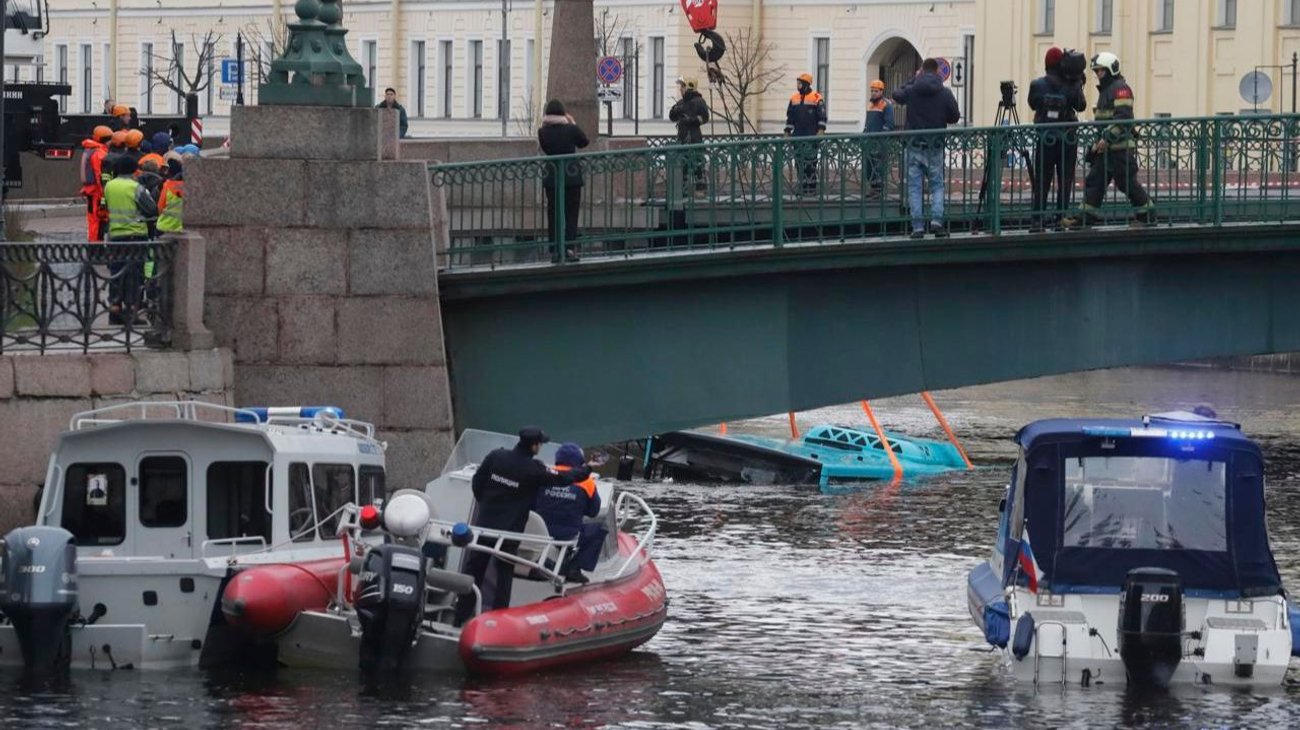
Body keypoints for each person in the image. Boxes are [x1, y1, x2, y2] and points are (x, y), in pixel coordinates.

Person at [453, 427, 593, 624]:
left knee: (474, 570)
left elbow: (477, 482)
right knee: (504, 578)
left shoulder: (496, 456)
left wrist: (486, 505)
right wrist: (586, 469)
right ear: (534, 446)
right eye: (540, 444)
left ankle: (460, 616)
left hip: (484, 527)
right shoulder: (534, 469)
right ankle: (499, 621)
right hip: (509, 534)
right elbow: (563, 478)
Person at [1061, 52, 1156, 229]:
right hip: (1107, 148)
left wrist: (1106, 138)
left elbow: (1123, 118)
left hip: (1120, 149)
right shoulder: (1108, 89)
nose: (1098, 74)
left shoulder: (1121, 89)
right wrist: (1099, 142)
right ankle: (1084, 219)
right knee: (1095, 182)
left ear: (1111, 69)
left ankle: (1148, 215)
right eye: (1096, 71)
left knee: (1127, 183)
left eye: (1101, 70)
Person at [892, 58, 961, 238]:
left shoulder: (912, 90)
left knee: (914, 188)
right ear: (938, 71)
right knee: (937, 185)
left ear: (922, 71)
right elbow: (955, 116)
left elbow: (896, 95)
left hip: (913, 145)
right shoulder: (945, 93)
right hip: (935, 146)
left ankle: (917, 227)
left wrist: (912, 80)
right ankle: (937, 221)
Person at [1027, 47, 1087, 231]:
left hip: (1045, 139)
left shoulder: (1037, 85)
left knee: (1042, 181)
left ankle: (1037, 219)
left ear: (1046, 65)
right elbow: (1082, 106)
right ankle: (1060, 218)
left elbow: (1032, 104)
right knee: (1065, 181)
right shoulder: (1071, 85)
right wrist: (1077, 83)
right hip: (1067, 140)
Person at [533, 443, 607, 584]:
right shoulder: (586, 482)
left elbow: (531, 503)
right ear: (579, 461)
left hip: (538, 533)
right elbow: (593, 512)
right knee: (601, 526)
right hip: (567, 536)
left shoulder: (544, 475)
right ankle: (574, 568)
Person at [102, 156, 158, 325]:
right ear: (134, 170)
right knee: (134, 274)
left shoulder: (109, 186)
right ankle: (132, 310)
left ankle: (115, 309)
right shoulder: (135, 187)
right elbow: (151, 209)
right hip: (135, 235)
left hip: (115, 235)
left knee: (117, 271)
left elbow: (106, 206)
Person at [537, 99, 590, 263]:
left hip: (552, 176)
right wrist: (573, 123)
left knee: (553, 213)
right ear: (563, 113)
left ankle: (555, 250)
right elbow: (584, 142)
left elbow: (546, 149)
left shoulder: (542, 132)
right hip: (571, 176)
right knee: (571, 214)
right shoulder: (570, 129)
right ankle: (569, 248)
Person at [784, 72, 827, 194]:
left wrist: (821, 130)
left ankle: (811, 188)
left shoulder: (816, 97)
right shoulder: (794, 98)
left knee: (811, 163)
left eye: (800, 83)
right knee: (799, 163)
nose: (797, 85)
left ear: (806, 84)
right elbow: (790, 118)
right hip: (797, 136)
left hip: (811, 136)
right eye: (797, 83)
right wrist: (787, 132)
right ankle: (802, 187)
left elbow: (822, 116)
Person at [669, 77, 710, 191]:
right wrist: (676, 110)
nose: (680, 89)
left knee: (698, 163)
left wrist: (692, 120)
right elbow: (672, 117)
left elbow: (705, 117)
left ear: (688, 87)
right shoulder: (681, 102)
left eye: (683, 86)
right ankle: (684, 191)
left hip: (694, 137)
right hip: (683, 136)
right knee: (684, 165)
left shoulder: (699, 101)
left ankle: (700, 190)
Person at [78, 125, 113, 241]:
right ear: (105, 140)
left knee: (93, 220)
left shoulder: (90, 150)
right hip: (96, 194)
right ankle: (96, 246)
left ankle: (94, 244)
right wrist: (104, 197)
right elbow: (100, 177)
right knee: (97, 221)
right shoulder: (99, 154)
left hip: (91, 192)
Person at [862, 80, 896, 197]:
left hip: (879, 142)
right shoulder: (870, 105)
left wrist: (881, 137)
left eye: (876, 91)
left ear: (881, 91)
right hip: (869, 141)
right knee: (869, 166)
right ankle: (873, 189)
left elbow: (889, 124)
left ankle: (879, 191)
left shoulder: (886, 105)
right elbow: (867, 123)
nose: (873, 93)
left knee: (878, 166)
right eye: (872, 91)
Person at [156, 154, 185, 234]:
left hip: (164, 227)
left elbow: (160, 207)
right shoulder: (191, 188)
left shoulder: (167, 186)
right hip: (182, 229)